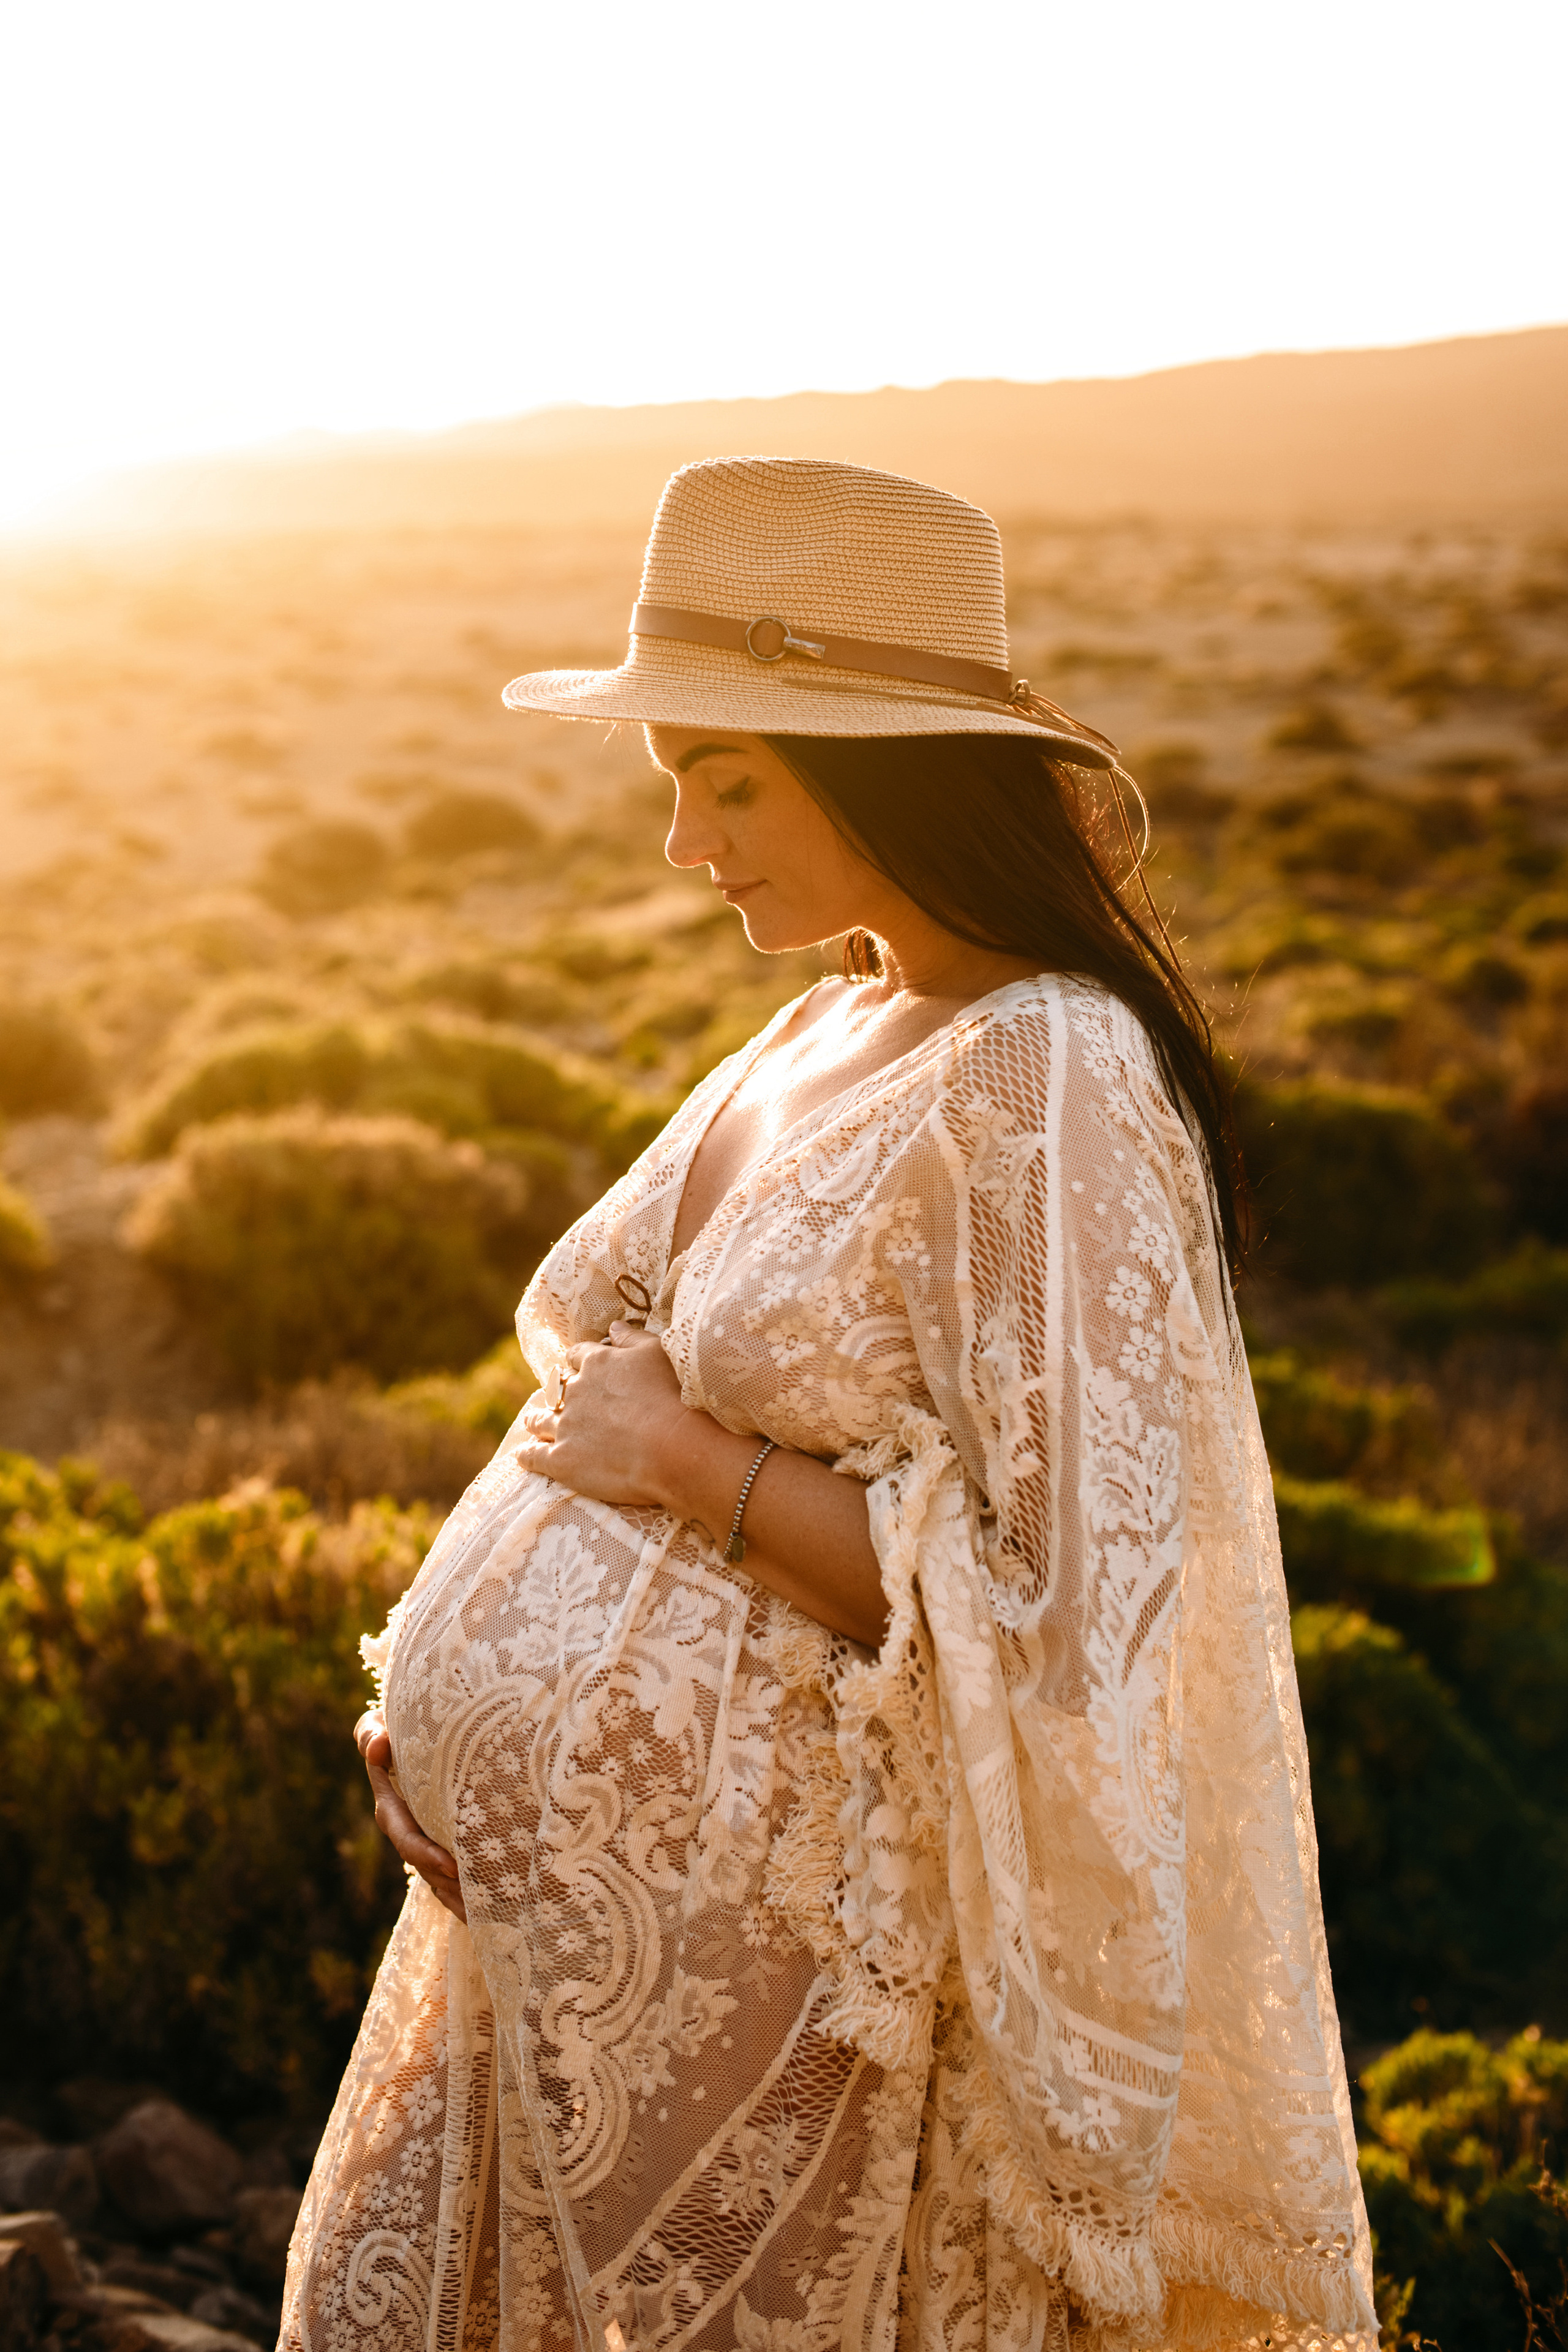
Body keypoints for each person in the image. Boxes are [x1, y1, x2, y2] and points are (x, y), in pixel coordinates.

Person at [281, 458, 1374, 2352]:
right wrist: (437, 1718)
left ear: (884, 771)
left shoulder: (1052, 1070)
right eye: (673, 784)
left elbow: (1068, 1620)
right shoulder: (826, 1018)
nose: (689, 848)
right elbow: (594, 1384)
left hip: (799, 1982)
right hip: (544, 1944)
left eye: (734, 782)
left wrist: (694, 1467)